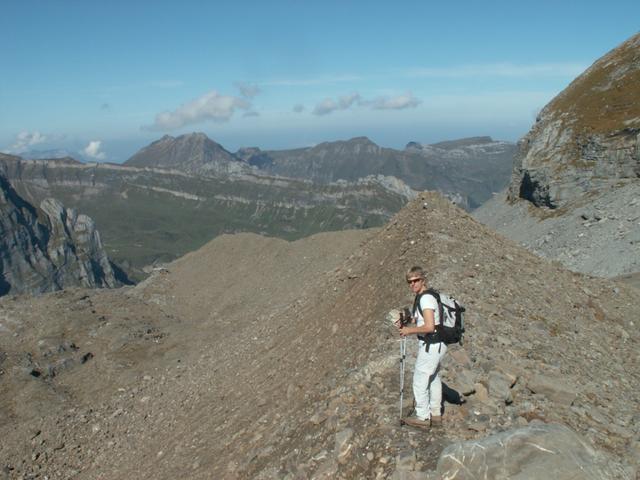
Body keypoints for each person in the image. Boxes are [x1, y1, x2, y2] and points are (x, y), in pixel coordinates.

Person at [396, 266, 447, 429]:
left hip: (431, 345)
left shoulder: (425, 299)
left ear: (423, 279)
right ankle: (436, 415)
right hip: (437, 344)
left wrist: (409, 330)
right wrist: (409, 322)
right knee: (433, 378)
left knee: (419, 380)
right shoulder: (427, 295)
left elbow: (430, 326)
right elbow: (425, 320)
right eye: (409, 282)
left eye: (416, 280)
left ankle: (423, 417)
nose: (412, 284)